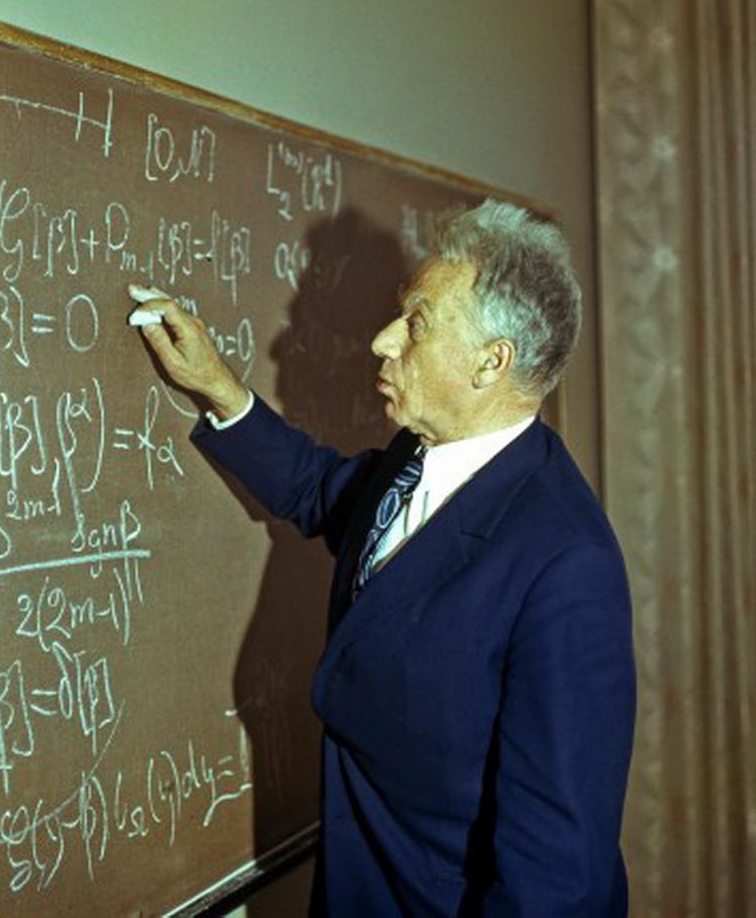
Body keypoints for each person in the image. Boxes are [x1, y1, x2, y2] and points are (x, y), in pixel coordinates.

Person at [128, 198, 636, 917]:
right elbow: (324, 492)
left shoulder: (565, 565)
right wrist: (220, 390)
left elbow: (556, 880)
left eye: (417, 323)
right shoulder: (419, 456)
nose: (383, 340)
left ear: (491, 362)